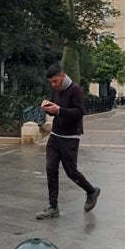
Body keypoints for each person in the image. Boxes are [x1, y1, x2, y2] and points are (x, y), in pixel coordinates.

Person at [36, 63, 100, 220]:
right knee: (51, 168)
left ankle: (91, 191)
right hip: (55, 135)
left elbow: (80, 112)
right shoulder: (57, 89)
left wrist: (59, 110)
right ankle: (53, 207)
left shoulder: (75, 90)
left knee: (71, 172)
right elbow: (56, 104)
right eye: (51, 82)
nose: (53, 85)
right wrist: (48, 104)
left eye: (55, 81)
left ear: (62, 77)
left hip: (70, 137)